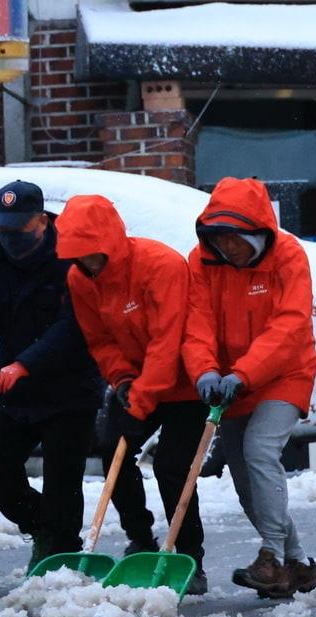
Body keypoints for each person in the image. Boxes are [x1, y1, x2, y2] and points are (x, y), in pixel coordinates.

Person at [57, 195, 210, 595]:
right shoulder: (79, 279)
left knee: (173, 467)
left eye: (92, 253)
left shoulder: (160, 264)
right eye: (78, 255)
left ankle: (189, 556)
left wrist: (141, 401)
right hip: (137, 381)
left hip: (183, 383)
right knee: (113, 452)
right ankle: (140, 537)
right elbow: (100, 339)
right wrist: (122, 381)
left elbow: (168, 340)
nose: (87, 262)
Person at [183, 177, 316, 599]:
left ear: (258, 231)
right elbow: (198, 323)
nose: (229, 248)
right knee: (246, 483)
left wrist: (244, 373)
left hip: (285, 372)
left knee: (260, 450)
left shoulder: (289, 256)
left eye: (236, 238)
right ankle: (297, 563)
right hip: (231, 382)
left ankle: (271, 558)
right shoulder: (202, 262)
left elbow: (290, 325)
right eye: (220, 239)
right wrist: (204, 371)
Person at [0, 180, 103, 569]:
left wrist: (27, 364)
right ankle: (43, 527)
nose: (9, 239)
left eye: (18, 229)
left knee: (62, 480)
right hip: (13, 386)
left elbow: (73, 325)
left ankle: (61, 555)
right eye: (3, 230)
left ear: (41, 221)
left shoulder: (69, 258)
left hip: (69, 385)